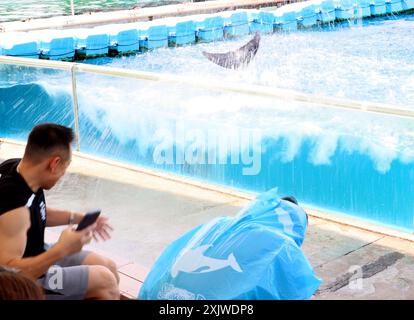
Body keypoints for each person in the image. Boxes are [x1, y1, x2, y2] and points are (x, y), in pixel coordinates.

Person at [0, 123, 119, 300]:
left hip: (37, 251)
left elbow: (34, 211)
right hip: (29, 279)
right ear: (54, 163)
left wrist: (79, 218)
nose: (63, 174)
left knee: (108, 266)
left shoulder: (17, 169)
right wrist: (62, 249)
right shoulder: (14, 207)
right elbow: (11, 277)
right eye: (65, 167)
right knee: (106, 282)